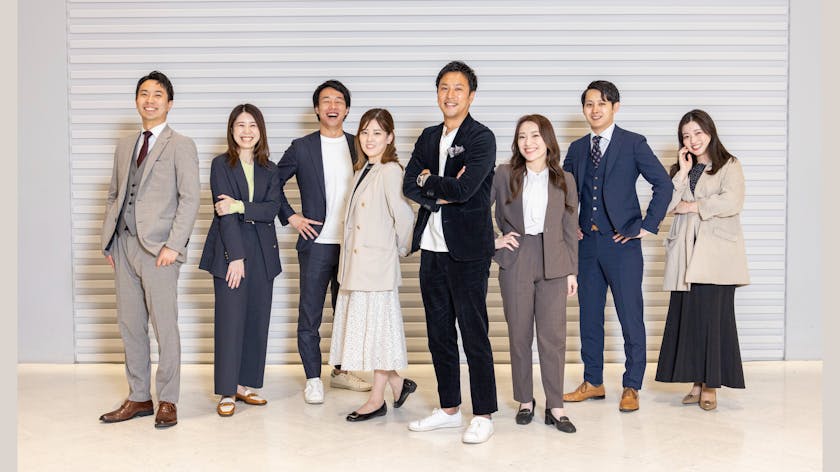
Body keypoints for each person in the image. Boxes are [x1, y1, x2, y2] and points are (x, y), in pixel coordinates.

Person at [562, 80, 672, 413]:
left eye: (602, 103)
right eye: (589, 104)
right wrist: (570, 224)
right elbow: (563, 193)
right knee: (589, 317)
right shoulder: (577, 149)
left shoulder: (633, 143)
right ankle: (593, 381)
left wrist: (645, 226)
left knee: (630, 315)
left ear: (615, 107)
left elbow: (663, 185)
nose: (595, 109)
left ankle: (632, 385)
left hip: (622, 246)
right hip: (587, 245)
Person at [99, 71, 200, 428]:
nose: (150, 100)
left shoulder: (180, 144)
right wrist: (109, 240)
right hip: (123, 246)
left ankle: (168, 399)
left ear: (169, 103)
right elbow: (114, 194)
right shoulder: (125, 145)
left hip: (159, 251)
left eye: (158, 94)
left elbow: (190, 199)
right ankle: (139, 396)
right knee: (130, 325)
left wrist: (174, 245)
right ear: (136, 100)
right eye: (144, 93)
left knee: (164, 326)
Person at [403, 61, 498, 444]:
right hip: (431, 248)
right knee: (438, 334)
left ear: (471, 95)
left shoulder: (481, 138)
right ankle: (448, 409)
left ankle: (484, 413)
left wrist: (431, 181)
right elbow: (409, 184)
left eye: (458, 88)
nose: (450, 95)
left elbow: (466, 189)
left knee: (474, 333)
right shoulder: (428, 137)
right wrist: (436, 187)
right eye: (444, 87)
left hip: (468, 251)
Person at [276, 80, 372, 404]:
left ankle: (341, 371)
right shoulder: (301, 147)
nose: (333, 106)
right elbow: (272, 182)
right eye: (326, 101)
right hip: (316, 244)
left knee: (346, 312)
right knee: (310, 314)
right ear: (317, 109)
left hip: (352, 246)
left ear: (347, 109)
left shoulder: (360, 145)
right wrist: (292, 217)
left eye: (339, 100)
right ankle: (313, 378)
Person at [655, 109, 749, 410]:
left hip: (716, 255)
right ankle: (696, 382)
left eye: (697, 133)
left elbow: (732, 201)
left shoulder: (729, 164)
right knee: (691, 320)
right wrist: (682, 173)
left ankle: (710, 386)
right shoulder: (682, 169)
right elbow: (666, 205)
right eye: (686, 136)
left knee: (713, 321)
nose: (693, 140)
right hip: (686, 255)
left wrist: (693, 206)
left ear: (710, 132)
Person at [328, 108, 418, 422]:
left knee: (378, 336)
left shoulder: (390, 170)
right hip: (356, 267)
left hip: (376, 268)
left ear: (390, 137)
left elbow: (403, 217)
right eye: (365, 132)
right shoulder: (363, 170)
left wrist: (400, 250)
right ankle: (398, 384)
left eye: (377, 133)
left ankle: (377, 400)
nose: (369, 139)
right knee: (368, 334)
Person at [491, 115, 579, 433]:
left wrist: (571, 271)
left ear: (548, 140)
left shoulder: (565, 179)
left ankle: (555, 405)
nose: (528, 143)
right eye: (522, 137)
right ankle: (525, 400)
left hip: (554, 260)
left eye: (535, 136)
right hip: (517, 256)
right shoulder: (504, 174)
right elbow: (476, 209)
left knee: (553, 337)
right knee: (519, 334)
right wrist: (492, 241)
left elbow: (570, 228)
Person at [199, 104, 283, 417]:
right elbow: (223, 215)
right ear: (231, 130)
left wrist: (239, 205)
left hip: (263, 253)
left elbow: (272, 209)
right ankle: (226, 390)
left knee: (256, 321)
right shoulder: (221, 165)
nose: (246, 131)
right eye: (240, 125)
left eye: (252, 125)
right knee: (230, 321)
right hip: (230, 251)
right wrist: (235, 257)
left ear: (260, 130)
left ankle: (245, 386)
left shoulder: (270, 168)